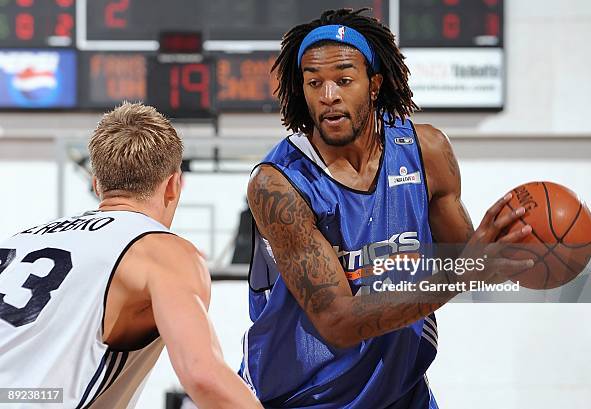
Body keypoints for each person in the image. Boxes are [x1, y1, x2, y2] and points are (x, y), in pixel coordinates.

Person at [240, 8, 533, 408]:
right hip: (304, 398)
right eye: (314, 82)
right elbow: (338, 322)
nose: (328, 96)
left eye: (343, 80)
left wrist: (524, 246)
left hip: (401, 394)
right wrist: (465, 271)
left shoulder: (425, 152)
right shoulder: (279, 184)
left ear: (374, 84)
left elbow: (468, 261)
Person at [0, 102, 261, 409]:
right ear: (174, 186)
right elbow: (204, 376)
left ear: (97, 185)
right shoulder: (162, 251)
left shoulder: (19, 242)